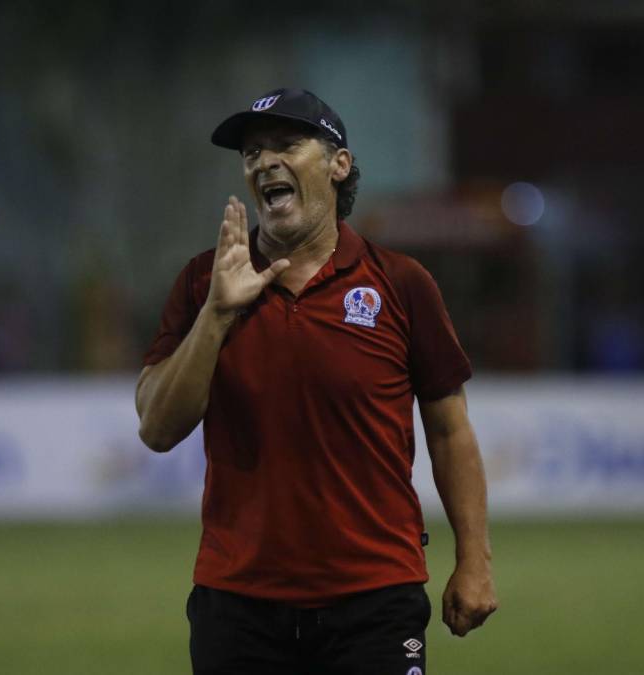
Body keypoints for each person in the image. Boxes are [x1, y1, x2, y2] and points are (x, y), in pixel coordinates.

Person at [136, 88, 497, 675]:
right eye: (252, 153)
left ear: (338, 164)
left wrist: (475, 559)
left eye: (285, 145)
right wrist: (217, 314)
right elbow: (156, 427)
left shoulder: (401, 284)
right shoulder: (203, 282)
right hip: (239, 604)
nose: (263, 162)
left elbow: (450, 431)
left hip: (376, 601)